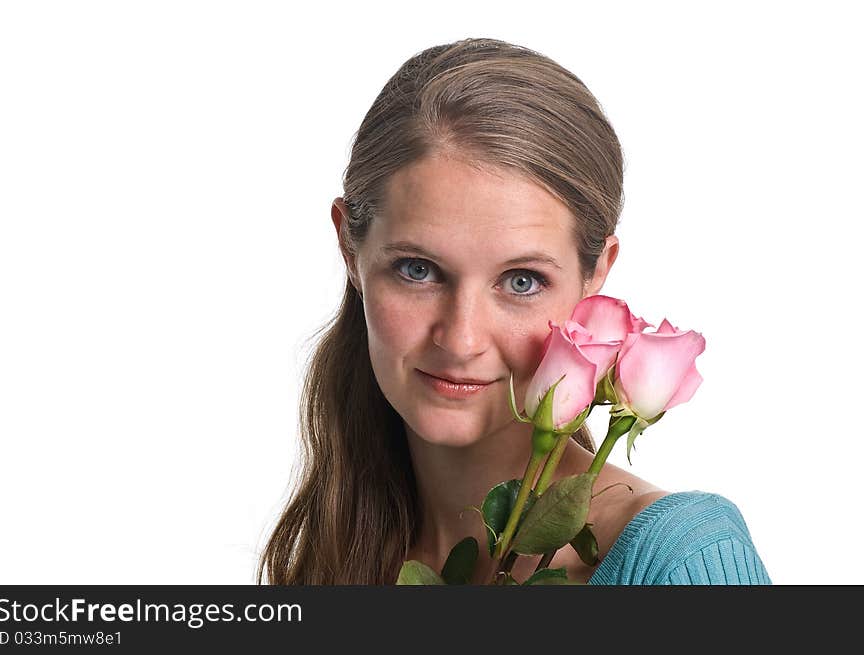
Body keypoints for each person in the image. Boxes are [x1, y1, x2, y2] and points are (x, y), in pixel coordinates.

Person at [257, 37, 771, 585]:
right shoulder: (335, 551)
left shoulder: (682, 563)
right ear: (349, 250)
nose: (460, 339)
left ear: (595, 278)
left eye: (521, 281)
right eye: (417, 270)